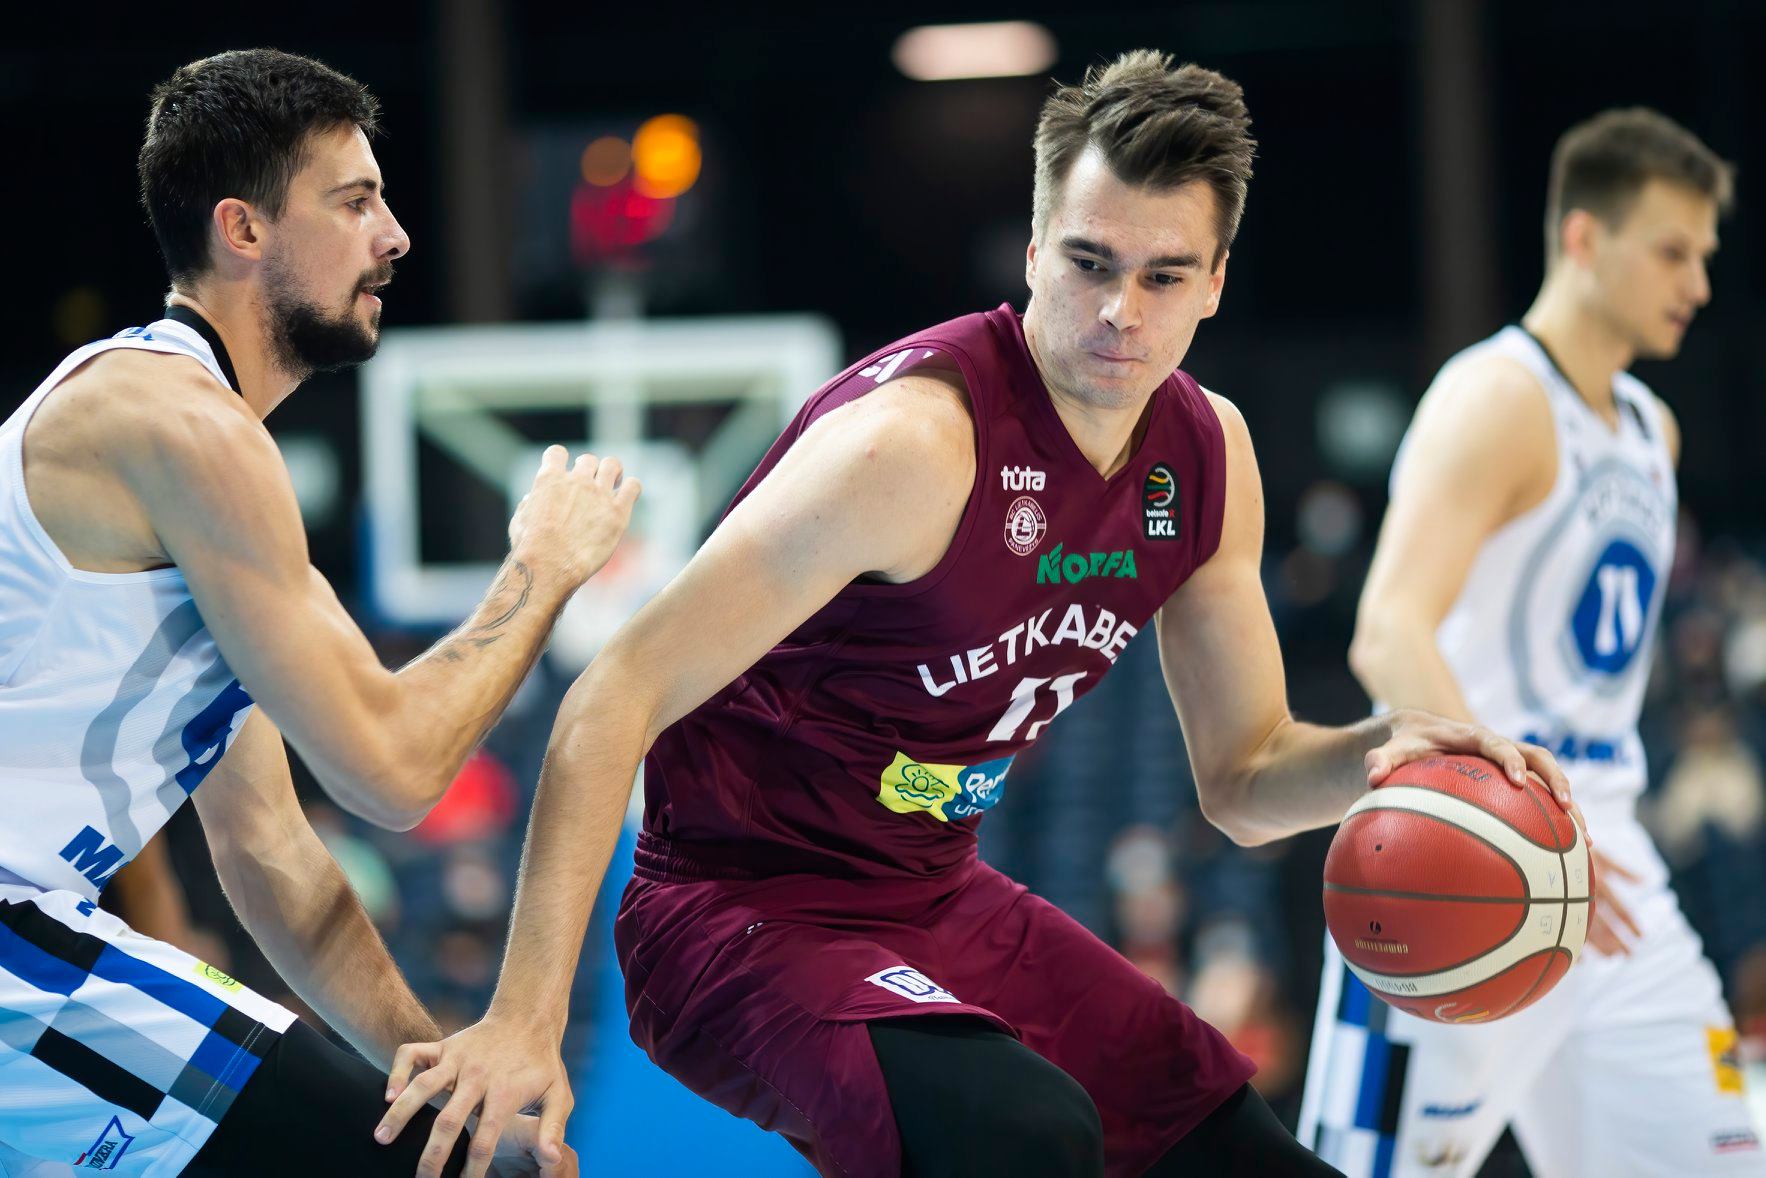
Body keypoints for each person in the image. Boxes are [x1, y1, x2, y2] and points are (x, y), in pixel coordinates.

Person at [379, 51, 1570, 1178]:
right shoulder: (911, 446)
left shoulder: (1208, 456)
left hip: (934, 897)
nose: (1120, 311)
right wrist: (522, 1019)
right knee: (1025, 1132)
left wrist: (1379, 757)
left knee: (1230, 1145)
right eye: (1090, 263)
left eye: (1162, 276)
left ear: (1213, 281)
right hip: (732, 910)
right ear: (1036, 250)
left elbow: (1245, 777)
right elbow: (614, 689)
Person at [0, 48, 635, 1176]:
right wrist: (539, 570)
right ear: (243, 229)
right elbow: (391, 771)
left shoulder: (193, 458)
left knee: (456, 1157)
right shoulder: (179, 425)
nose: (394, 236)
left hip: (32, 932)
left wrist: (443, 1084)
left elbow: (272, 853)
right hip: (17, 936)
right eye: (354, 202)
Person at [1298, 108, 1763, 1175]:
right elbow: (1386, 628)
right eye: (1672, 251)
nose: (1697, 284)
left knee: (1724, 1157)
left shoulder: (1651, 428)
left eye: (1705, 256)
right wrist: (1523, 825)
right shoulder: (1496, 395)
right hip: (1461, 849)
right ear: (1584, 237)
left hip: (1614, 862)